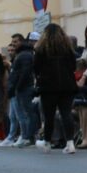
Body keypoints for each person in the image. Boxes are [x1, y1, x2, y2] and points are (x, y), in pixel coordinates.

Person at [33, 23, 79, 154]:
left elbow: (36, 68)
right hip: (67, 85)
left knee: (49, 116)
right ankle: (70, 143)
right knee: (66, 113)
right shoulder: (67, 48)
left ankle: (47, 142)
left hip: (48, 87)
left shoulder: (41, 49)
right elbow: (73, 66)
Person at [7, 32, 40, 148]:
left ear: (21, 41)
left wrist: (17, 86)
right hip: (21, 88)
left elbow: (24, 73)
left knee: (28, 113)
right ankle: (26, 136)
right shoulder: (21, 54)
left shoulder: (25, 55)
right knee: (23, 114)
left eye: (16, 42)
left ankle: (30, 136)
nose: (14, 44)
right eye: (12, 42)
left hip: (25, 88)